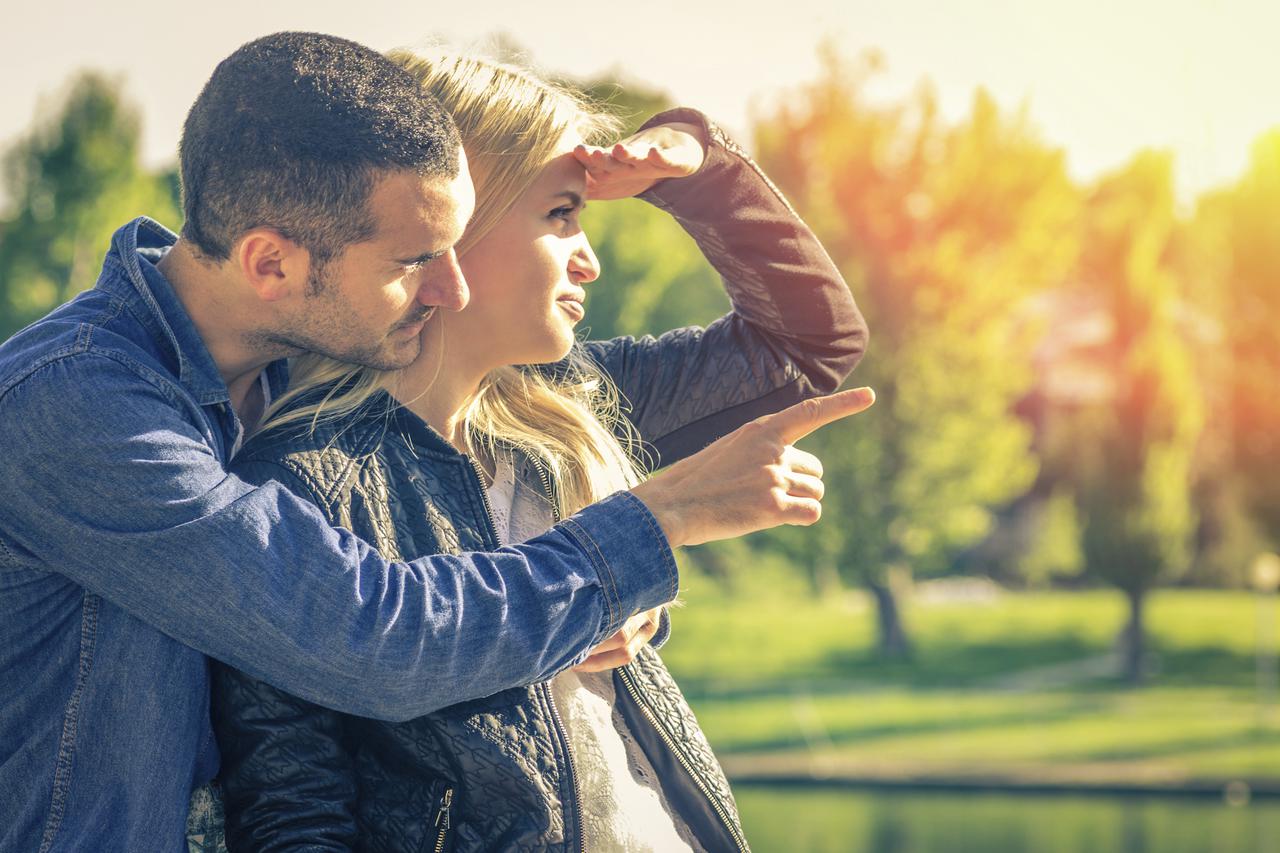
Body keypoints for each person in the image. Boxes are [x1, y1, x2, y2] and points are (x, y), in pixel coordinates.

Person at [0, 32, 868, 852]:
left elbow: (804, 345)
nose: (448, 286)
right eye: (417, 257)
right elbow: (368, 636)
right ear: (271, 267)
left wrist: (698, 164)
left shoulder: (459, 392)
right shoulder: (83, 408)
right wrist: (645, 531)